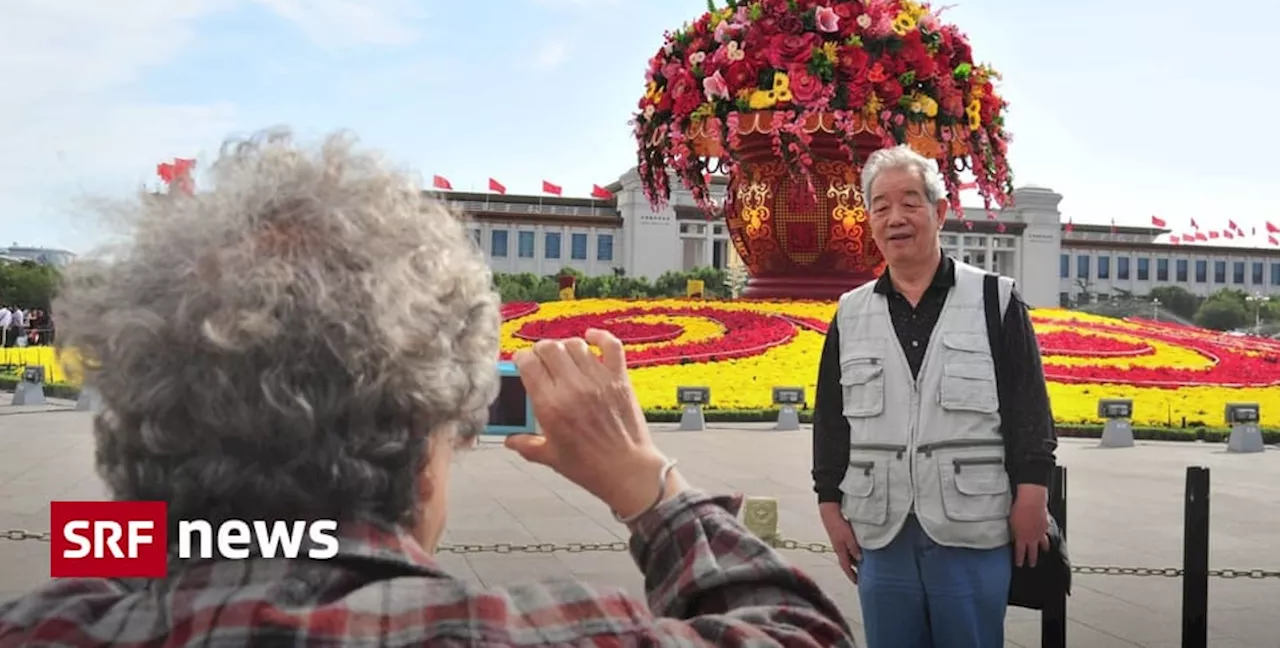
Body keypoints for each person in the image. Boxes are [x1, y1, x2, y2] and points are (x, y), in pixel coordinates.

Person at [0, 129, 855, 647]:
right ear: (422, 449)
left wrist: (182, 523)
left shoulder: (49, 624)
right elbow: (801, 631)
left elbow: (128, 562)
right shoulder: (529, 628)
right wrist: (648, 484)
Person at [810, 145, 1058, 648]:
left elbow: (1029, 406)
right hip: (882, 531)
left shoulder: (995, 300)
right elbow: (832, 422)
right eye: (880, 206)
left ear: (939, 211)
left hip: (972, 526)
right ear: (869, 220)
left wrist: (1032, 494)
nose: (895, 218)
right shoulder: (850, 313)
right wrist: (829, 505)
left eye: (909, 202)